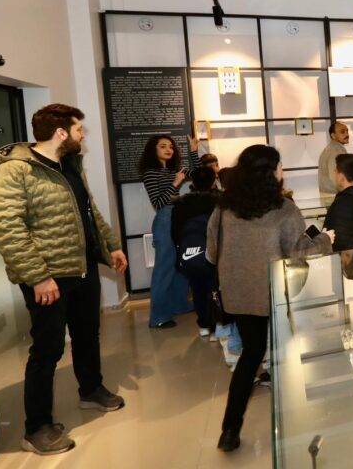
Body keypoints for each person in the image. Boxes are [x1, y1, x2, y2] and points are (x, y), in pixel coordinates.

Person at [0, 104, 128, 455]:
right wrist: (38, 278)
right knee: (48, 349)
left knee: (87, 334)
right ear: (61, 133)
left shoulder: (70, 165)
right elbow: (7, 229)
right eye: (79, 129)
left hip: (82, 267)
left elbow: (89, 211)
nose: (83, 134)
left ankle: (91, 390)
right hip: (48, 276)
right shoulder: (15, 170)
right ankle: (36, 428)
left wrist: (111, 245)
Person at [206, 145, 333, 452]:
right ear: (270, 172)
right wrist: (326, 239)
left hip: (238, 294)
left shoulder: (223, 208)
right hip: (276, 293)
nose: (282, 171)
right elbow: (298, 252)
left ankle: (230, 429)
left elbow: (212, 252)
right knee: (287, 353)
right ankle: (298, 421)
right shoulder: (284, 208)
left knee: (251, 355)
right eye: (279, 166)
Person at [139, 133, 199, 329]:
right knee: (164, 268)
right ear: (153, 150)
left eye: (171, 147)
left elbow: (200, 175)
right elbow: (158, 202)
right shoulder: (150, 172)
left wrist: (194, 152)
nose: (168, 149)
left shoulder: (174, 170)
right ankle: (158, 317)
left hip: (179, 219)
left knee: (181, 265)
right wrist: (176, 183)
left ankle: (179, 304)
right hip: (165, 220)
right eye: (163, 146)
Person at [171, 166, 220, 337]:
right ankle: (217, 325)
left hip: (191, 254)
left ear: (193, 182)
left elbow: (175, 233)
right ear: (213, 182)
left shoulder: (181, 203)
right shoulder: (220, 201)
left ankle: (204, 325)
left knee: (197, 289)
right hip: (215, 253)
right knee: (215, 288)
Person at [318, 121, 350, 195]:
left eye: (347, 131)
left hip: (329, 195)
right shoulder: (336, 152)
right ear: (333, 136)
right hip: (335, 196)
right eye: (342, 132)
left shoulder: (331, 149)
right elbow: (336, 178)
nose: (347, 134)